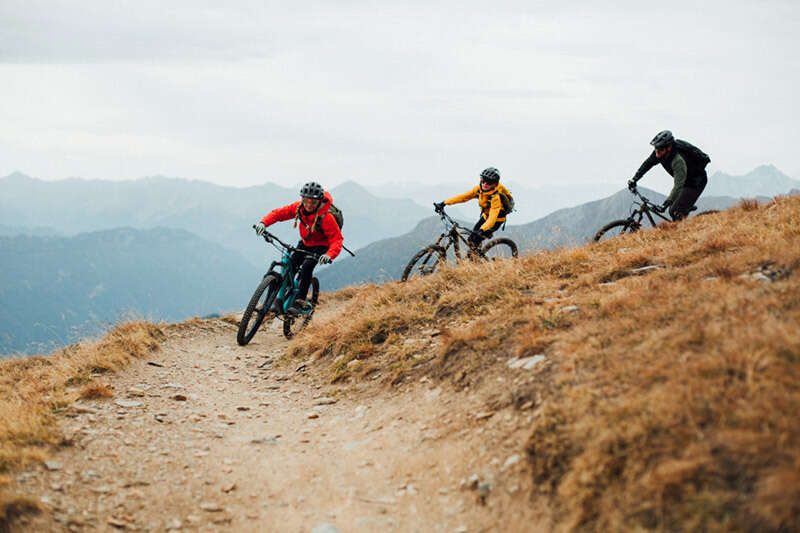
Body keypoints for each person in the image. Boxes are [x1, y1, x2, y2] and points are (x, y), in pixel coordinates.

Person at [254, 181, 343, 315]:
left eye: (313, 202)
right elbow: (279, 214)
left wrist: (329, 255)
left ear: (319, 202)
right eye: (306, 201)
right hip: (305, 243)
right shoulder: (298, 208)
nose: (308, 205)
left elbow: (337, 240)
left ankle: (300, 302)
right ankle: (278, 301)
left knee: (307, 266)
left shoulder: (327, 218)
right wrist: (263, 223)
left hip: (321, 246)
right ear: (302, 199)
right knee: (290, 264)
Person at [627, 130, 711, 221]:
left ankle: (685, 231)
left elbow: (678, 185)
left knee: (675, 211)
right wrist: (634, 179)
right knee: (672, 209)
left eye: (659, 150)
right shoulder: (659, 152)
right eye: (655, 149)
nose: (656, 153)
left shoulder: (677, 161)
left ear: (669, 147)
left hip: (696, 182)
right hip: (685, 180)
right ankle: (684, 212)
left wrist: (666, 203)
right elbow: (647, 164)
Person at [434, 167, 513, 254]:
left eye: (489, 182)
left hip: (496, 221)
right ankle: (474, 255)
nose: (485, 184)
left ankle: (476, 260)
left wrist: (482, 230)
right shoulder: (479, 189)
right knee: (472, 238)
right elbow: (463, 197)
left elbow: (492, 218)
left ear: (495, 184)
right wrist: (444, 203)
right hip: (485, 216)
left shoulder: (495, 198)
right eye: (483, 180)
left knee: (477, 237)